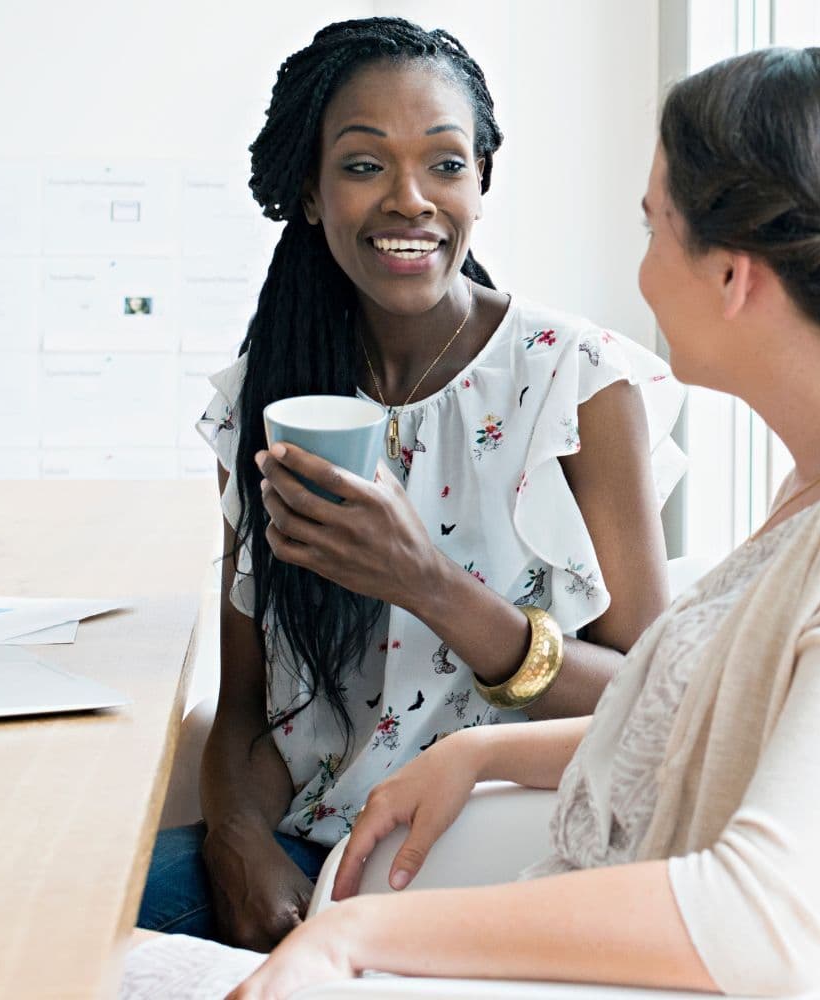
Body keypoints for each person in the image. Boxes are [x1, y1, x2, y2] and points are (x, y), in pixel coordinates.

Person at [208, 44, 820, 999]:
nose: (640, 275)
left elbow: (759, 922)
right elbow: (722, 730)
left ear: (731, 275)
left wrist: (358, 935)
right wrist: (484, 749)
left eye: (654, 230)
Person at [134, 17, 685, 952]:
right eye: (361, 166)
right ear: (308, 193)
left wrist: (422, 581)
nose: (409, 200)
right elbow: (247, 710)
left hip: (505, 865)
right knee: (42, 926)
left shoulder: (578, 385)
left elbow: (649, 704)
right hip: (314, 856)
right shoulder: (262, 401)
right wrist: (238, 845)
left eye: (444, 164)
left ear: (482, 182)